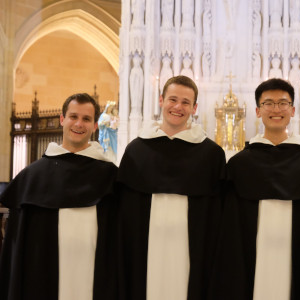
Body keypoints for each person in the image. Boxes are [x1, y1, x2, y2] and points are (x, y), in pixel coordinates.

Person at [210, 78, 300, 300]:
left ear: (292, 110)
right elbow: (230, 228)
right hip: (252, 258)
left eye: (283, 103)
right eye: (268, 103)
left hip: (297, 257)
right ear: (257, 110)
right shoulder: (240, 165)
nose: (276, 109)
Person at [117, 75, 226, 300]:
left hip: (191, 253)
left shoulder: (210, 155)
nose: (178, 107)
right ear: (161, 100)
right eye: (173, 99)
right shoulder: (136, 151)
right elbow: (124, 213)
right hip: (145, 252)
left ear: (195, 108)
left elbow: (216, 216)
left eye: (186, 102)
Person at [0, 93, 118, 300]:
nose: (79, 124)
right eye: (73, 117)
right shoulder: (33, 177)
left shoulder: (110, 176)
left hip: (95, 278)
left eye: (86, 119)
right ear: (62, 119)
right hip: (43, 280)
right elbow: (17, 248)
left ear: (95, 126)